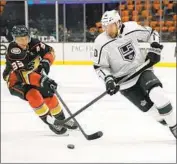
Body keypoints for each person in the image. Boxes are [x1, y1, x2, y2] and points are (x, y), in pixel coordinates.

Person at [92, 10, 176, 138]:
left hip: (141, 69)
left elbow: (152, 33)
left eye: (111, 25)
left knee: (158, 94)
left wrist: (155, 48)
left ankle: (174, 127)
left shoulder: (131, 28)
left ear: (118, 23)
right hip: (124, 83)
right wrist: (108, 79)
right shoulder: (100, 42)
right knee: (155, 114)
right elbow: (99, 67)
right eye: (105, 26)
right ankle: (169, 121)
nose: (108, 29)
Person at [3, 25, 77, 135]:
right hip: (16, 81)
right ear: (14, 39)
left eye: (25, 38)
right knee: (33, 95)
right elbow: (23, 75)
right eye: (19, 39)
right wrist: (42, 81)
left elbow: (50, 51)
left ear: (29, 36)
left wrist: (46, 62)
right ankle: (51, 122)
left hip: (35, 76)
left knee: (49, 95)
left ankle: (62, 120)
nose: (23, 42)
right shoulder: (13, 51)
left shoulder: (34, 43)